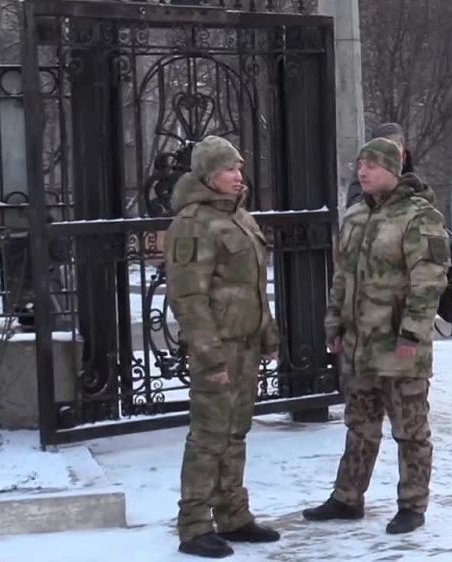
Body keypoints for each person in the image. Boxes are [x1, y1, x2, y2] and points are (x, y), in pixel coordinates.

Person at [302, 138, 449, 535]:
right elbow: (342, 277)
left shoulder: (419, 216)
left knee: (410, 430)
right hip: (359, 346)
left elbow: (428, 282)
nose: (362, 171)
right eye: (359, 164)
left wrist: (412, 335)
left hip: (399, 346)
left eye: (371, 165)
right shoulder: (354, 217)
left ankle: (412, 505)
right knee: (359, 425)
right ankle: (347, 498)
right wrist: (334, 324)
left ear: (393, 170)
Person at [165, 135, 281, 558]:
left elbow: (255, 287)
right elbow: (188, 298)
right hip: (217, 348)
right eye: (229, 169)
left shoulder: (240, 218)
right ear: (208, 175)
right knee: (209, 436)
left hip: (246, 344)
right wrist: (210, 356)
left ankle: (233, 514)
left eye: (239, 168)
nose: (238, 175)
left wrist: (268, 334)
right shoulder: (193, 223)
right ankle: (194, 524)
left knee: (236, 432)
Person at [346, 122, 415, 208]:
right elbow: (354, 204)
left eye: (397, 145)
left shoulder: (413, 181)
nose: (392, 151)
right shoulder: (364, 171)